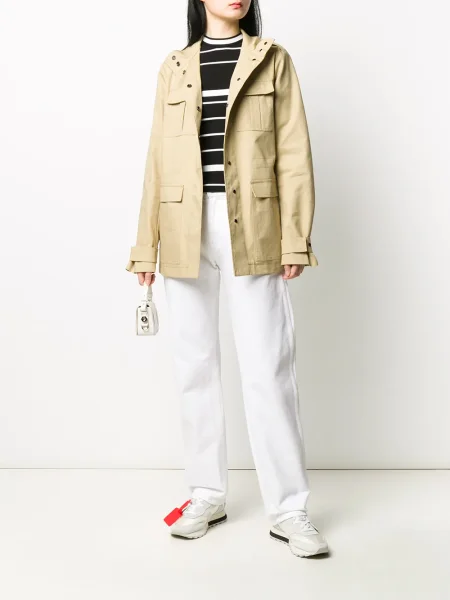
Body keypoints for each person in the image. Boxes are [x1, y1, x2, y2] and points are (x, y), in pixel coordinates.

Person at [125, 0, 328, 558]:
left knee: (267, 367)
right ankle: (206, 494)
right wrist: (145, 246)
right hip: (182, 226)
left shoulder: (272, 59)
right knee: (194, 367)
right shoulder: (175, 66)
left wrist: (295, 236)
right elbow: (157, 162)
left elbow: (293, 152)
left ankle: (289, 509)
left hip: (254, 225)